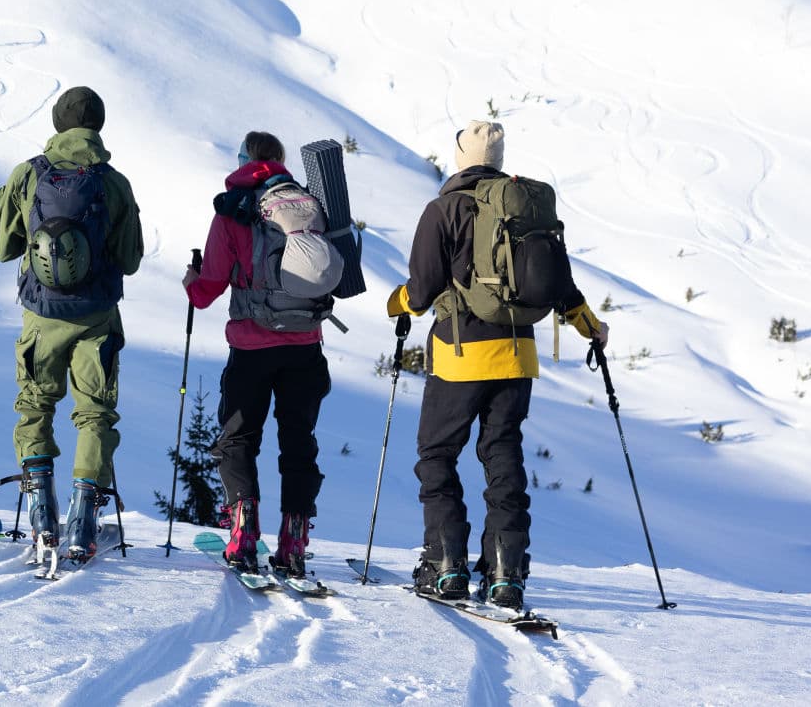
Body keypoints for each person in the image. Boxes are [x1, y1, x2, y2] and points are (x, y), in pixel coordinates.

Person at [390, 119, 608, 610]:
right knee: (503, 459)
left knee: (437, 456)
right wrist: (589, 324)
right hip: (516, 358)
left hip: (459, 357)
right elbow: (561, 284)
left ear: (460, 157)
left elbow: (421, 292)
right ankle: (506, 573)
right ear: (499, 159)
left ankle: (445, 565)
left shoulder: (444, 208)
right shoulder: (525, 209)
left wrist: (396, 303)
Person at [0, 86, 144, 562]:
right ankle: (81, 522)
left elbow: (1, 248)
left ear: (57, 124)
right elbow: (131, 259)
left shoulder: (29, 174)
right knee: (94, 413)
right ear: (98, 125)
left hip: (41, 316)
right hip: (96, 317)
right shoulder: (112, 182)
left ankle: (40, 516)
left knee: (35, 404)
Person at [184, 131, 336, 580]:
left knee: (238, 437)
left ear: (245, 160)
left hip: (251, 346)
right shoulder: (310, 204)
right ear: (281, 161)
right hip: (306, 345)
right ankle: (293, 542)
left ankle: (243, 532)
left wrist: (192, 281)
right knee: (298, 442)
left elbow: (207, 290)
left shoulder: (232, 210)